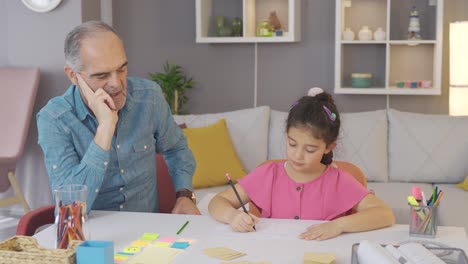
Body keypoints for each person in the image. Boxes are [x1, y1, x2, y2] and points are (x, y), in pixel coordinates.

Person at [37, 21, 200, 215]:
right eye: (102, 75)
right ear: (73, 76)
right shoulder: (54, 119)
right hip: (90, 234)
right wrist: (105, 129)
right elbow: (70, 211)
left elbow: (177, 149)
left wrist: (184, 195)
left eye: (121, 69)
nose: (116, 84)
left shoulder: (149, 97)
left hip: (147, 233)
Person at [208, 87, 395, 240]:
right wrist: (232, 216)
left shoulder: (339, 181)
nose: (297, 155)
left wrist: (338, 226)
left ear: (328, 147)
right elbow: (218, 202)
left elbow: (385, 214)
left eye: (310, 149)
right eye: (292, 144)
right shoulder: (267, 174)